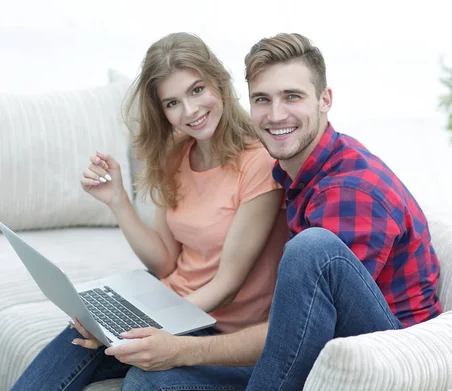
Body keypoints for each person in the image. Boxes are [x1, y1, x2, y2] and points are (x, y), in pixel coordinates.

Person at [110, 33, 442, 391]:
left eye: (292, 97)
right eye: (262, 100)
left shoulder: (348, 192)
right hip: (325, 340)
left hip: (391, 356)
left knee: (311, 248)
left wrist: (181, 350)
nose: (276, 114)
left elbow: (302, 329)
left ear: (324, 100)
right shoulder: (292, 173)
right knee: (148, 382)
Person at [11, 32, 288, 390]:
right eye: (172, 103)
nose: (190, 111)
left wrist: (147, 324)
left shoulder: (259, 162)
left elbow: (227, 286)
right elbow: (165, 263)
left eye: (196, 90)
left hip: (218, 327)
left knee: (143, 379)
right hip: (171, 300)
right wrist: (118, 200)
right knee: (74, 340)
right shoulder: (177, 150)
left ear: (219, 81)